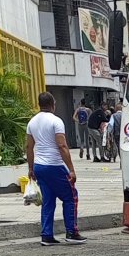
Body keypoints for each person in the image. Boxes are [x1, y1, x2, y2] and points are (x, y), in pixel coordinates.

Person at [26, 92, 87, 246]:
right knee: (70, 196)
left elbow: (29, 146)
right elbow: (62, 145)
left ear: (40, 104)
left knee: (48, 200)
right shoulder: (56, 121)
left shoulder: (32, 122)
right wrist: (71, 169)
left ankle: (47, 235)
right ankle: (72, 232)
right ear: (53, 103)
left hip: (39, 166)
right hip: (54, 165)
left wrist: (31, 168)